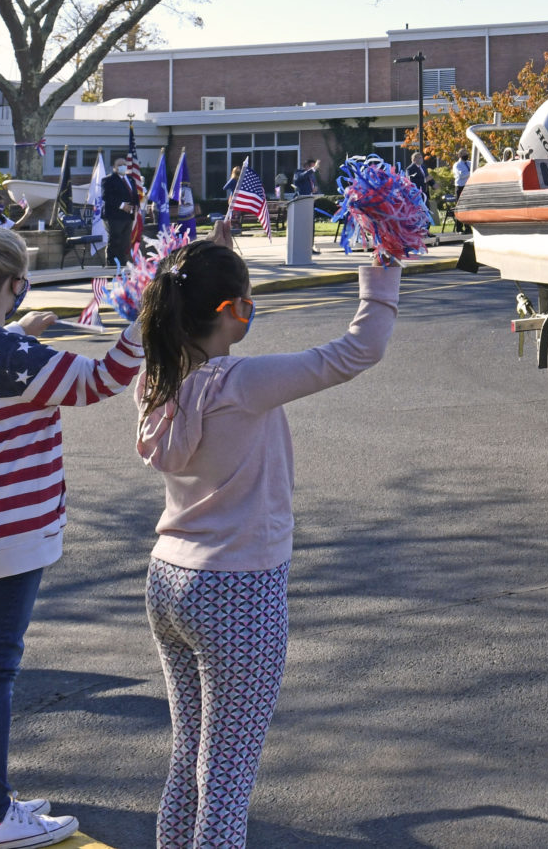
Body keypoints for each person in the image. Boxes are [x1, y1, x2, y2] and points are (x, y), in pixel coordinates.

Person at [135, 222, 398, 849]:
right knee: (226, 778)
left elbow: (193, 303)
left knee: (190, 757)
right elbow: (357, 350)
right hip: (238, 590)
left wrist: (213, 257)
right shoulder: (240, 383)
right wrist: (385, 262)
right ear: (233, 311)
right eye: (247, 301)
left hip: (169, 579)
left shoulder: (154, 381)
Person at [0, 226, 142, 849]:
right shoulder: (15, 355)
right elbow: (100, 381)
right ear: (15, 285)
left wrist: (18, 330)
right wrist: (140, 329)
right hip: (11, 526)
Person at [102, 159, 144, 266]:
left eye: (124, 164)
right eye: (119, 165)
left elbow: (135, 195)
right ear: (114, 167)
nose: (122, 167)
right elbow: (106, 196)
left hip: (128, 215)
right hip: (114, 216)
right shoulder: (108, 180)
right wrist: (122, 205)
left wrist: (136, 206)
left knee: (125, 241)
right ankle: (111, 262)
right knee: (115, 239)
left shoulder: (130, 179)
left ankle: (122, 262)